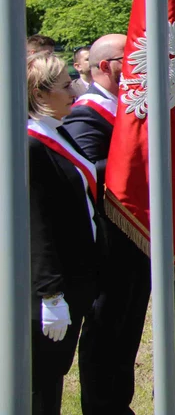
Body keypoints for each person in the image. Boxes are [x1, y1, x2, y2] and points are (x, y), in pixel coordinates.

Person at [63, 34, 149, 414]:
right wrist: (138, 161)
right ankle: (100, 406)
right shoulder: (87, 111)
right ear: (102, 66)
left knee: (129, 327)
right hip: (109, 240)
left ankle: (120, 402)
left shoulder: (126, 106)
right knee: (106, 328)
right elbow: (86, 170)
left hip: (137, 234)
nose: (133, 64)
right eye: (125, 58)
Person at [27, 52, 104, 414]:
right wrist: (51, 295)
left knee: (55, 370)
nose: (74, 89)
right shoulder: (30, 145)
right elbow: (37, 225)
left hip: (77, 276)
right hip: (49, 290)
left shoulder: (57, 130)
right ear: (40, 94)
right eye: (64, 85)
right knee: (39, 378)